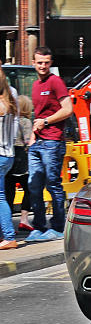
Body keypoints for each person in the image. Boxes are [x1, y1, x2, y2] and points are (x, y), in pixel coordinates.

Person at [25, 46, 73, 242]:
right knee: (33, 185)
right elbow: (37, 114)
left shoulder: (56, 82)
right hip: (38, 141)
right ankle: (38, 227)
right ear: (34, 63)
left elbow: (68, 109)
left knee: (53, 184)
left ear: (51, 63)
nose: (43, 66)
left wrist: (46, 122)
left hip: (53, 141)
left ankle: (58, 227)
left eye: (46, 62)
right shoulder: (36, 85)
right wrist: (33, 135)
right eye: (39, 62)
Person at [6, 95, 35, 232]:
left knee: (8, 192)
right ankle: (24, 220)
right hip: (22, 158)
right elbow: (29, 141)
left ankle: (8, 224)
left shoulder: (10, 121)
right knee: (29, 189)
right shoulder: (25, 122)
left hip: (10, 156)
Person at [0, 67, 19, 249]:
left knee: (0, 197)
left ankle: (9, 236)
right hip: (9, 154)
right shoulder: (12, 93)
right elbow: (16, 123)